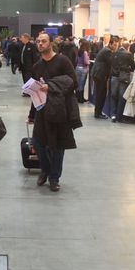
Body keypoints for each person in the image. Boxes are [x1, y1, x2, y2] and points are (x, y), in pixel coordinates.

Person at [27, 33, 81, 192]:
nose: (40, 44)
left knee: (57, 146)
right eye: (38, 41)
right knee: (38, 143)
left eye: (43, 41)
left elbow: (73, 83)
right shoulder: (37, 67)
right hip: (42, 110)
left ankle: (54, 177)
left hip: (60, 110)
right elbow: (34, 92)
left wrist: (51, 87)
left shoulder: (63, 61)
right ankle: (45, 170)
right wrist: (31, 114)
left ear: (51, 43)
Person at [109, 41, 135, 123]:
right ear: (128, 47)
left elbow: (111, 64)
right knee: (122, 97)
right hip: (124, 77)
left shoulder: (114, 53)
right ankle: (119, 117)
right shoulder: (128, 54)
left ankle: (113, 115)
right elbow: (133, 66)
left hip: (114, 77)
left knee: (113, 96)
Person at [90, 37, 115, 119]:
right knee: (101, 94)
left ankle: (98, 112)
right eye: (114, 45)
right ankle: (98, 113)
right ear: (110, 44)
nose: (115, 47)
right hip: (100, 75)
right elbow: (111, 63)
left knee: (100, 94)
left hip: (98, 74)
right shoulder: (107, 51)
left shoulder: (105, 49)